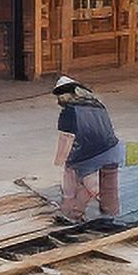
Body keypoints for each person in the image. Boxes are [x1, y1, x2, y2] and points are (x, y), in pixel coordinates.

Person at [50, 76, 125, 222]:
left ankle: (72, 211)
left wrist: (61, 161)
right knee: (108, 186)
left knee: (72, 175)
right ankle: (111, 212)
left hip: (89, 156)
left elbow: (66, 139)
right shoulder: (98, 105)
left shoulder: (69, 111)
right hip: (114, 149)